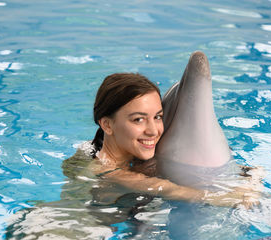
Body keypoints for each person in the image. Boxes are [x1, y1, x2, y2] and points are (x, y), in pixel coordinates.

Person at [82, 72, 260, 208]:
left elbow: (251, 170)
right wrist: (231, 197)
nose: (153, 131)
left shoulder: (134, 153)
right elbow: (163, 188)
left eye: (158, 117)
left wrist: (253, 177)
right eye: (138, 119)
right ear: (107, 125)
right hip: (91, 230)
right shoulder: (107, 170)